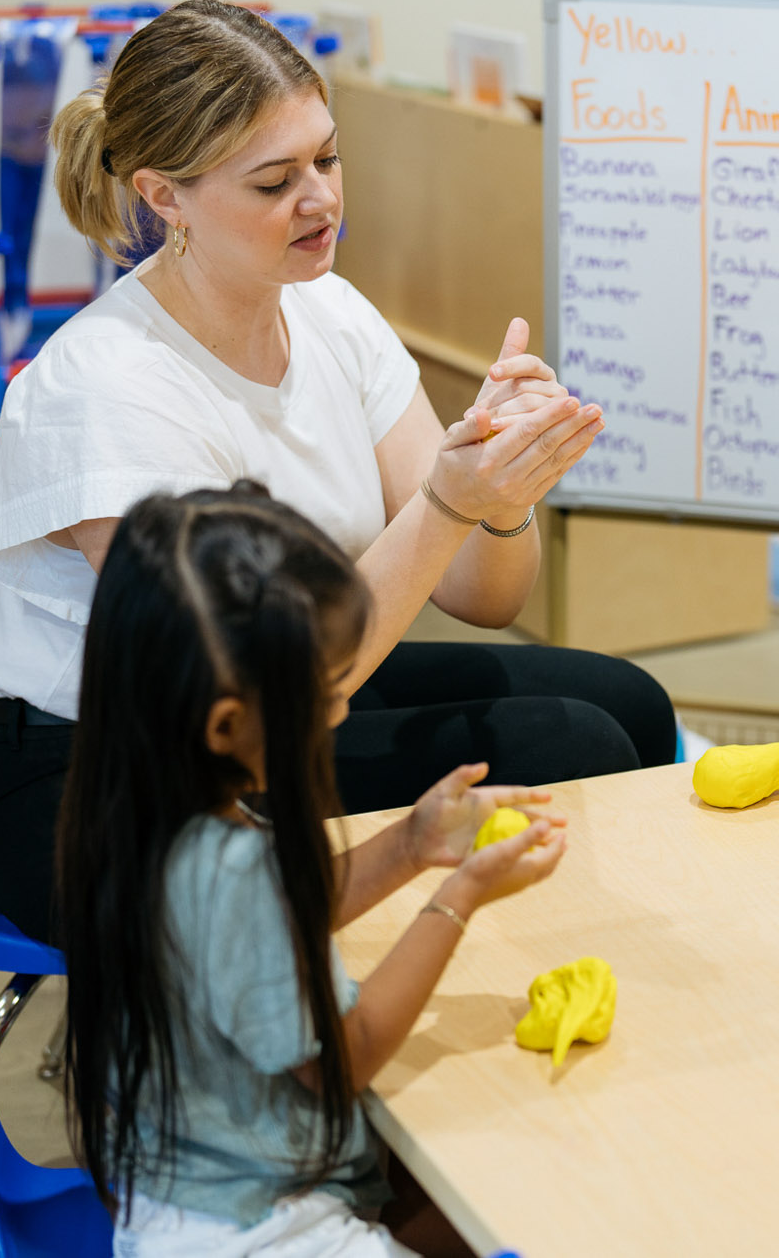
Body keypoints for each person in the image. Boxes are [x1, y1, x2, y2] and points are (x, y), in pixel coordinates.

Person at [0, 0, 672, 942]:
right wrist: (444, 504)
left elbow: (483, 593)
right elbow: (256, 701)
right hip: (106, 782)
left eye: (327, 159)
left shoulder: (328, 310)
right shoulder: (108, 389)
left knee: (627, 699)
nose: (322, 200)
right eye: (273, 181)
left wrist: (501, 493)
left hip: (282, 702)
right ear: (163, 195)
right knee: (569, 743)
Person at [57, 481, 567, 1256]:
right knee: (541, 1203)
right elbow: (344, 1059)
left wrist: (409, 845)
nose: (338, 715)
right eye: (325, 693)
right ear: (227, 723)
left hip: (182, 1194)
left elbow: (273, 924)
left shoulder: (140, 814)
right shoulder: (229, 868)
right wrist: (458, 896)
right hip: (259, 1228)